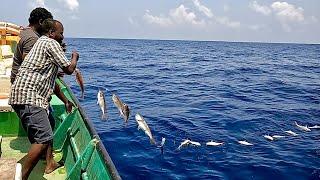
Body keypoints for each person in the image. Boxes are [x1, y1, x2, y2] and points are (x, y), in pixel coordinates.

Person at [9, 18, 79, 179]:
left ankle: (50, 163)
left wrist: (65, 101)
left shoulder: (41, 43)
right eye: (61, 33)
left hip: (23, 96)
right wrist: (75, 57)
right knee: (43, 138)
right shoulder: (50, 42)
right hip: (30, 97)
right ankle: (21, 177)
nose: (63, 36)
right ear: (51, 33)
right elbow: (69, 69)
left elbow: (51, 81)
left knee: (50, 122)